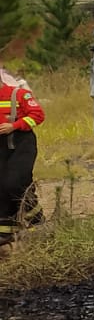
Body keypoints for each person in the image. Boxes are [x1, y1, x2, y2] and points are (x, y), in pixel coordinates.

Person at [0, 64, 45, 247]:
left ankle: (37, 220)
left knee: (16, 182)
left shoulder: (18, 94)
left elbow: (38, 115)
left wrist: (15, 125)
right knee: (1, 186)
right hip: (1, 145)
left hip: (21, 142)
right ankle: (6, 231)